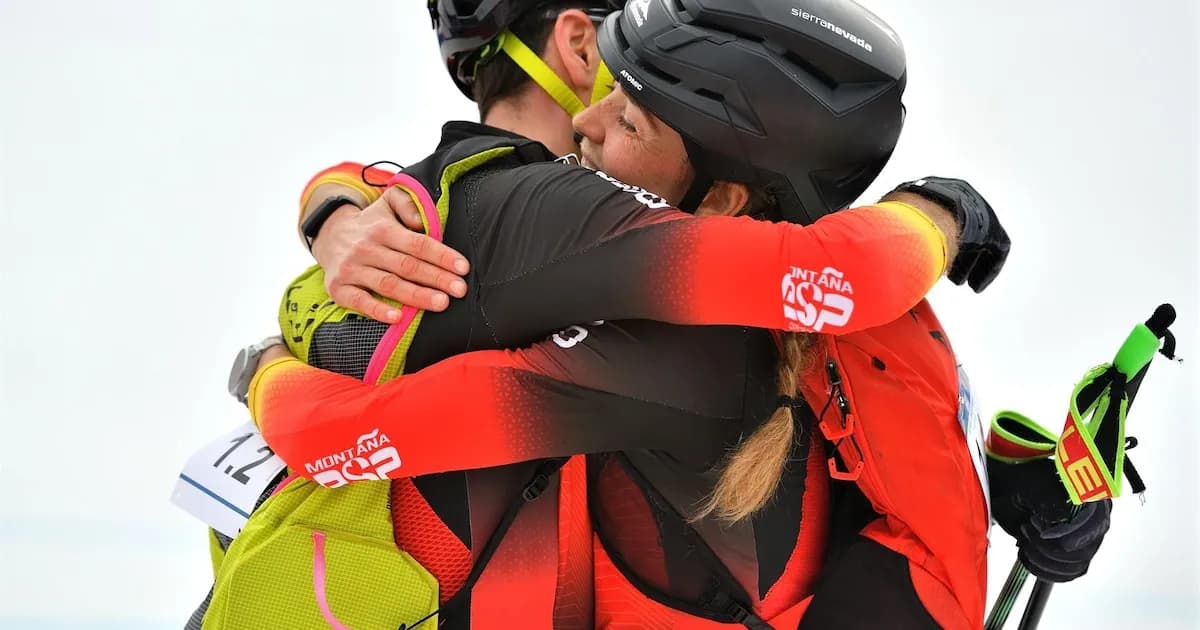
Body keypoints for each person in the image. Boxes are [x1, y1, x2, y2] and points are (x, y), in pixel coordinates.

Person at [231, 1, 1001, 629]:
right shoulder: (750, 298)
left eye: (629, 120)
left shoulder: (665, 353)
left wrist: (263, 364)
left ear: (725, 201)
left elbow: (337, 439)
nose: (588, 123)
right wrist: (333, 206)